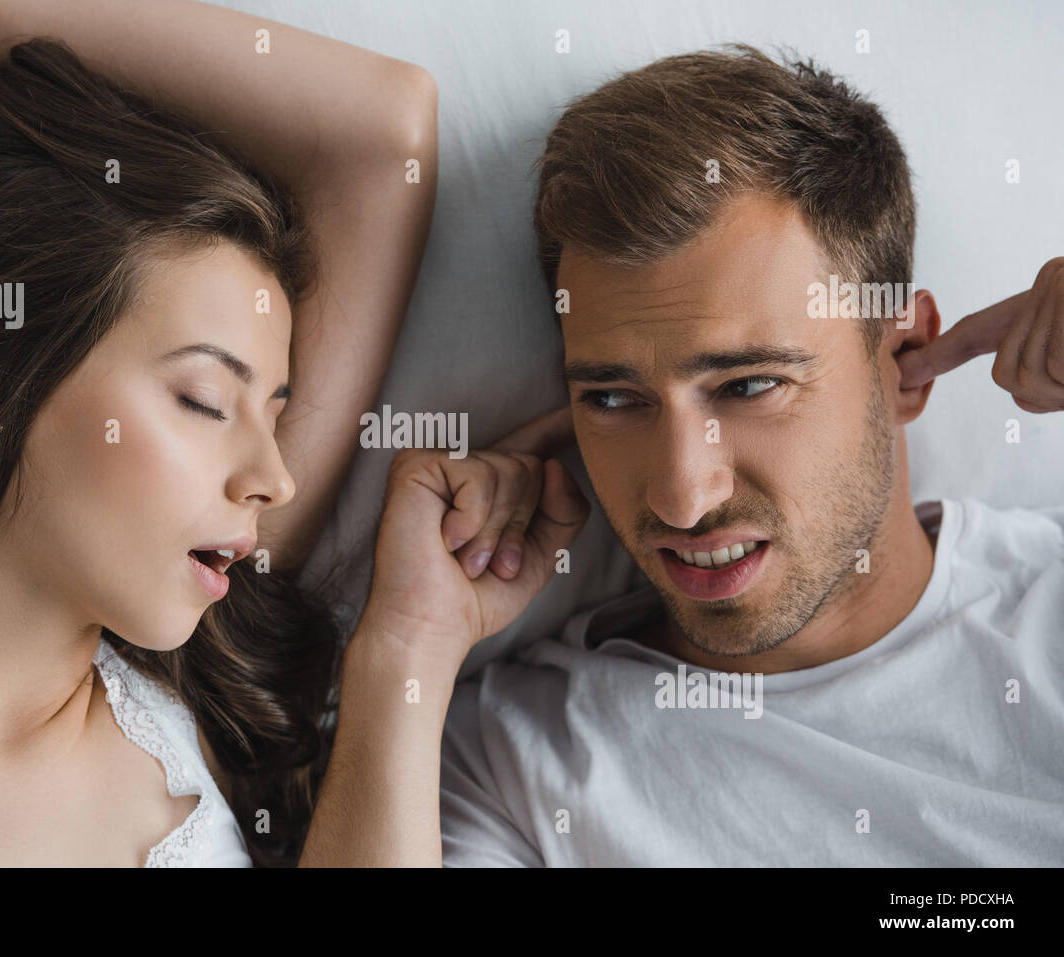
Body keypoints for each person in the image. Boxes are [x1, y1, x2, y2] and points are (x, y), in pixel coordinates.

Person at [305, 45, 1064, 866]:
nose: (681, 497)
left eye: (746, 387)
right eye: (613, 399)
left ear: (904, 358)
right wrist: (403, 646)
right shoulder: (515, 768)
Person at [0, 0, 435, 867]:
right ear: (1, 382)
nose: (275, 478)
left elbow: (388, 137)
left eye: (278, 409)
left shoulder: (208, 691)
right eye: (202, 400)